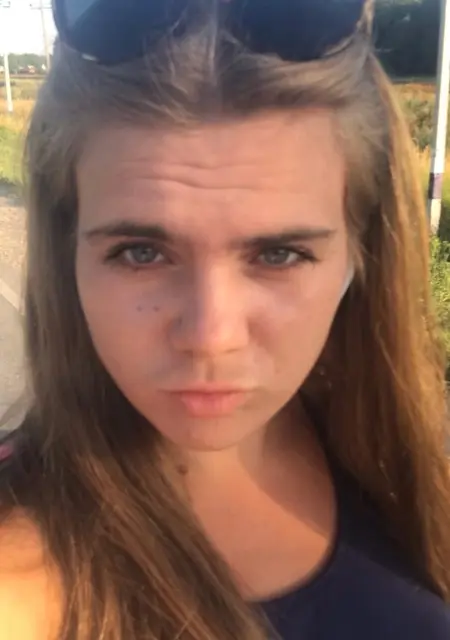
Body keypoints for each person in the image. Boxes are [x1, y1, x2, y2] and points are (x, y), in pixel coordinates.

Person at [0, 0, 449, 638]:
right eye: (141, 253)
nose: (212, 337)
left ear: (361, 256)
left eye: (279, 254)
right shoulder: (18, 581)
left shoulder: (406, 460)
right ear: (65, 253)